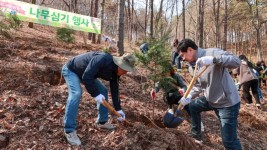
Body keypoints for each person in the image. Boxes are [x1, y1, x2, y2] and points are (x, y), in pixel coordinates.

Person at [177, 39, 242, 150]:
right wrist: (188, 97)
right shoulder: (192, 66)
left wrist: (214, 60)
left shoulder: (212, 53)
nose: (182, 59)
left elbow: (236, 61)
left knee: (229, 142)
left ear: (190, 50)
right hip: (210, 99)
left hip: (226, 103)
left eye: (182, 55)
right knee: (192, 106)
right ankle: (196, 135)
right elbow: (197, 86)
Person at [62, 51, 136, 145]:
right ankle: (69, 130)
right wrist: (95, 94)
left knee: (103, 91)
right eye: (125, 69)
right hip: (72, 70)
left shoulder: (116, 73)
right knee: (76, 93)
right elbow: (87, 77)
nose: (125, 72)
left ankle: (102, 122)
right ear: (119, 65)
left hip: (86, 73)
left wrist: (118, 109)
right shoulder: (103, 59)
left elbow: (115, 89)